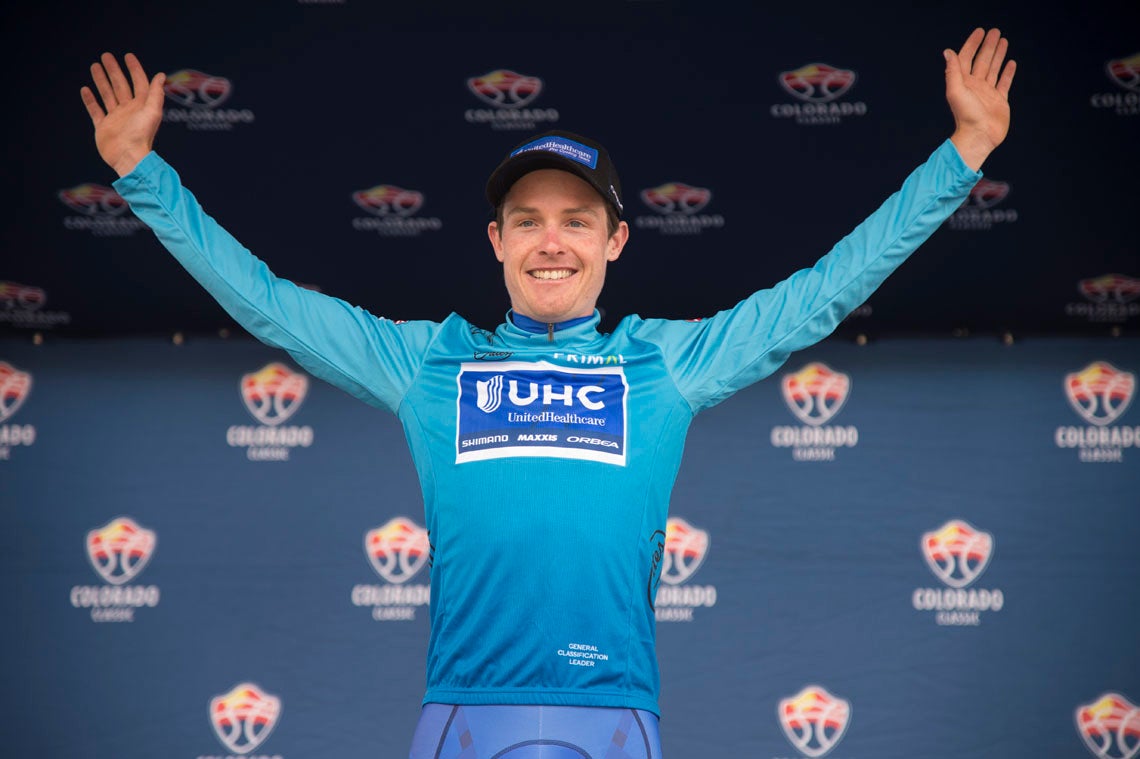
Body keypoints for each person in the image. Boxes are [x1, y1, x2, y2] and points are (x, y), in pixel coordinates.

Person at [80, 27, 1015, 758]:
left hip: (615, 716)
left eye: (577, 220)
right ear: (496, 242)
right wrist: (140, 174)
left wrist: (964, 152)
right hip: (461, 714)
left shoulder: (664, 364)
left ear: (616, 241)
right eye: (527, 221)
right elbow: (268, 301)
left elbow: (825, 289)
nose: (552, 241)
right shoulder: (428, 363)